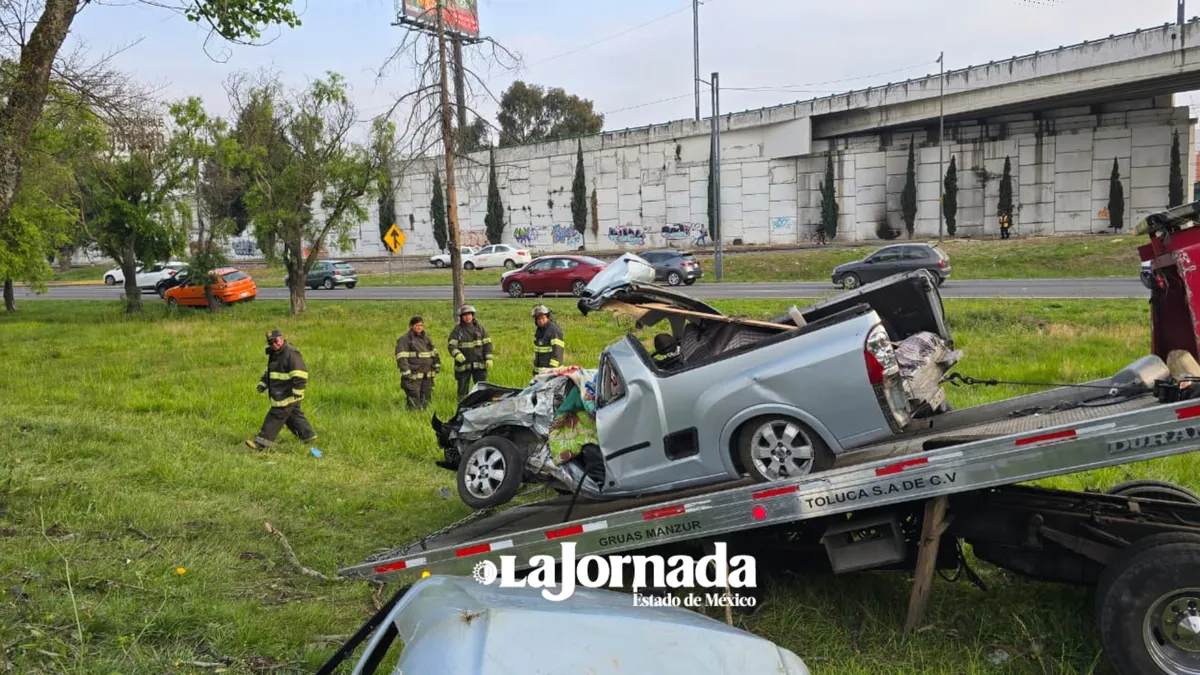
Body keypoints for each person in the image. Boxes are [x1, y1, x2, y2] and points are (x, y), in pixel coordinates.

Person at [247, 329, 316, 450]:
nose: (274, 344)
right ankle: (308, 436)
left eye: (276, 341)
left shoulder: (291, 353)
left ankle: (261, 443)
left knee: (274, 417)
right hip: (281, 392)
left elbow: (300, 374)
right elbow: (271, 372)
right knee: (292, 416)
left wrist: (297, 391)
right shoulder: (275, 353)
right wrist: (263, 384)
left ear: (282, 338)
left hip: (286, 394)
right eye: (271, 342)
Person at [395, 316, 440, 410]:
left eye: (421, 325)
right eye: (417, 325)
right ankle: (413, 418)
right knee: (413, 399)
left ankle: (423, 416)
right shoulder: (405, 339)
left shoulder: (426, 338)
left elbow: (434, 352)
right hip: (413, 375)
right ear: (411, 326)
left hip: (427, 375)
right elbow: (401, 357)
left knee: (426, 398)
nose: (419, 327)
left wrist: (436, 365)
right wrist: (406, 372)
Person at [448, 304, 493, 399]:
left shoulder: (481, 329)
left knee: (481, 388)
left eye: (469, 314)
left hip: (479, 364)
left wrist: (489, 359)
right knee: (463, 389)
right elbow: (451, 345)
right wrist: (457, 354)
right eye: (465, 315)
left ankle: (480, 405)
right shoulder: (457, 330)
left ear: (473, 315)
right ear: (461, 317)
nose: (467, 317)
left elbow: (487, 344)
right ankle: (462, 406)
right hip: (464, 365)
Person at [531, 304, 565, 372]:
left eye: (543, 318)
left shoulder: (554, 330)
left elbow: (557, 352)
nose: (540, 321)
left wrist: (551, 371)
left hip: (552, 372)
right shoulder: (540, 331)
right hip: (541, 372)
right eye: (538, 319)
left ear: (548, 317)